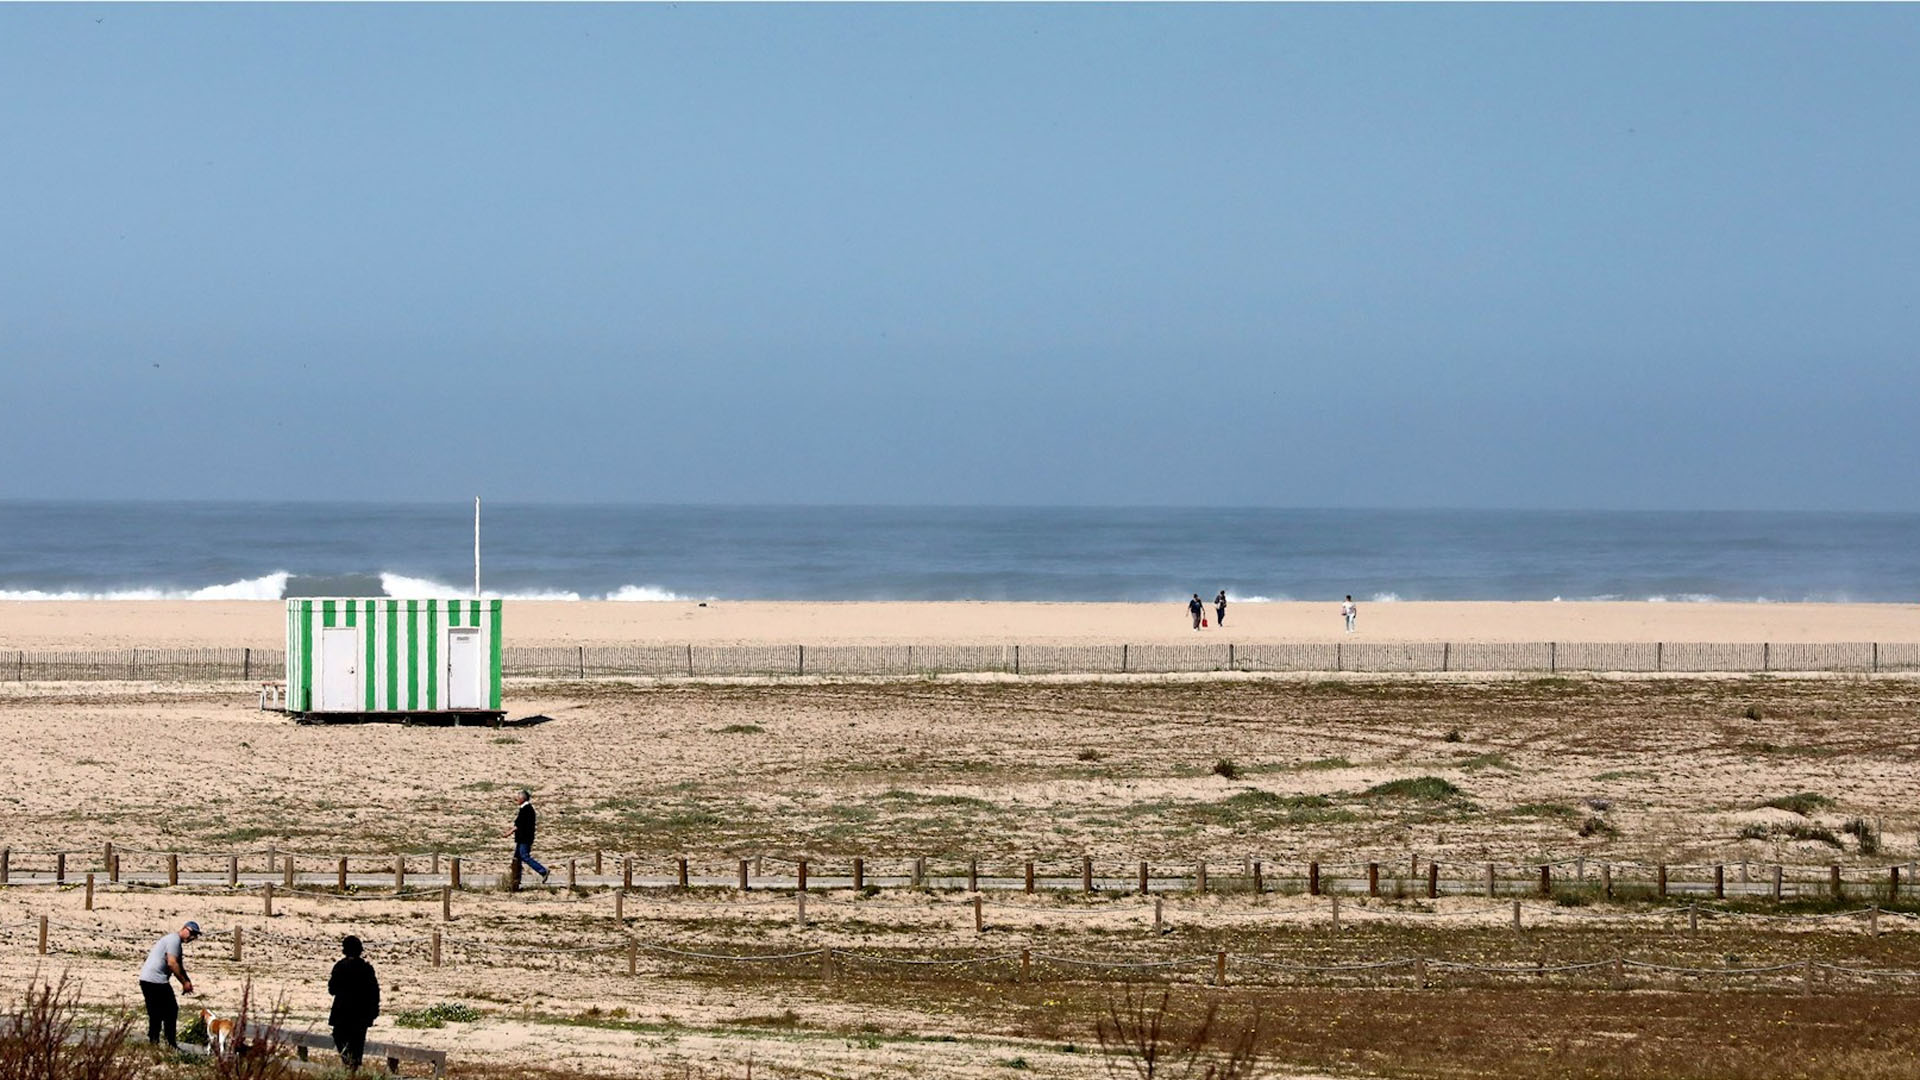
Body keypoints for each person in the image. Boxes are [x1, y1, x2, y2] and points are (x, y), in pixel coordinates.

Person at [137, 920, 199, 1047]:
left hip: (149, 979)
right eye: (192, 933)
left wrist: (187, 981)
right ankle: (169, 1043)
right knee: (170, 1011)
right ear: (184, 929)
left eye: (195, 936)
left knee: (157, 1012)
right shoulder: (174, 940)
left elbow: (179, 965)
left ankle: (155, 1042)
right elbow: (172, 963)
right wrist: (183, 982)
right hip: (155, 980)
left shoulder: (175, 943)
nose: (192, 937)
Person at [328, 935, 381, 1072]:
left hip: (342, 1014)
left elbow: (332, 989)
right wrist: (373, 1013)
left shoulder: (340, 967)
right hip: (361, 1015)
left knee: (339, 1038)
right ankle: (353, 1068)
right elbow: (374, 992)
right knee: (357, 1045)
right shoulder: (367, 968)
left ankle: (348, 1064)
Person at [503, 789, 549, 887]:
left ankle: (543, 871)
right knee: (516, 859)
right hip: (522, 838)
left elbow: (519, 825)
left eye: (518, 798)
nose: (516, 799)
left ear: (522, 799)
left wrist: (508, 833)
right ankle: (515, 879)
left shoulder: (526, 809)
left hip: (525, 838)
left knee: (524, 856)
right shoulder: (526, 808)